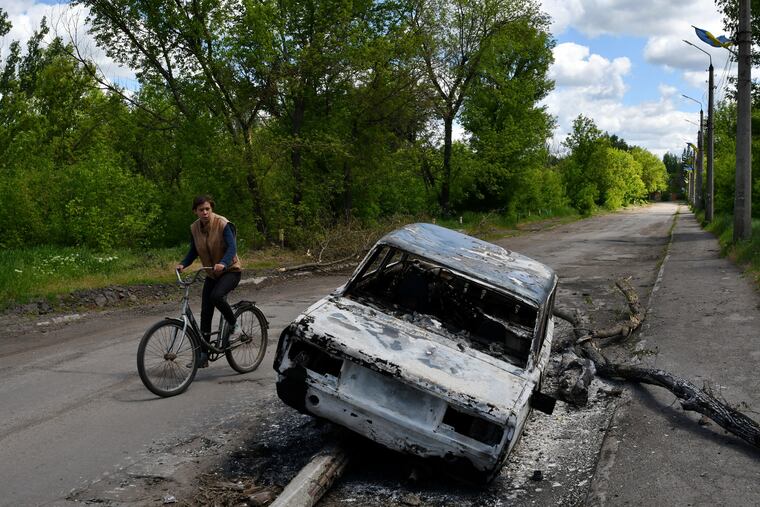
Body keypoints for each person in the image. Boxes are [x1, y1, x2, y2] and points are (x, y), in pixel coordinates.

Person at [176, 195, 242, 367]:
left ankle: (234, 324)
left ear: (211, 209)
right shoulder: (194, 228)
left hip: (230, 271)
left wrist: (223, 263)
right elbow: (194, 251)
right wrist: (183, 264)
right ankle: (203, 356)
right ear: (195, 212)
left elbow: (232, 247)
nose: (205, 212)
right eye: (201, 210)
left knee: (216, 296)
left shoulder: (222, 223)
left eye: (207, 209)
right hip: (212, 274)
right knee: (205, 312)